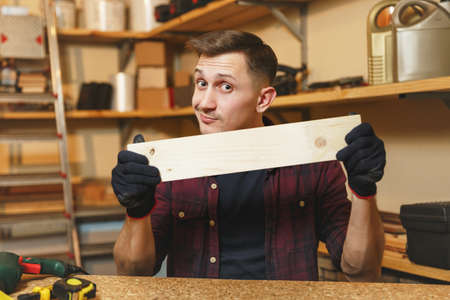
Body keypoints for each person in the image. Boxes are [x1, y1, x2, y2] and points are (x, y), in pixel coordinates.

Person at [111, 30, 386, 281]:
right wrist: (137, 212)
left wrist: (363, 191)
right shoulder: (172, 170)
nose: (203, 103)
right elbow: (133, 272)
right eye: (201, 83)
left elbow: (361, 271)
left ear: (263, 99)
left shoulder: (313, 167)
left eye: (225, 86)